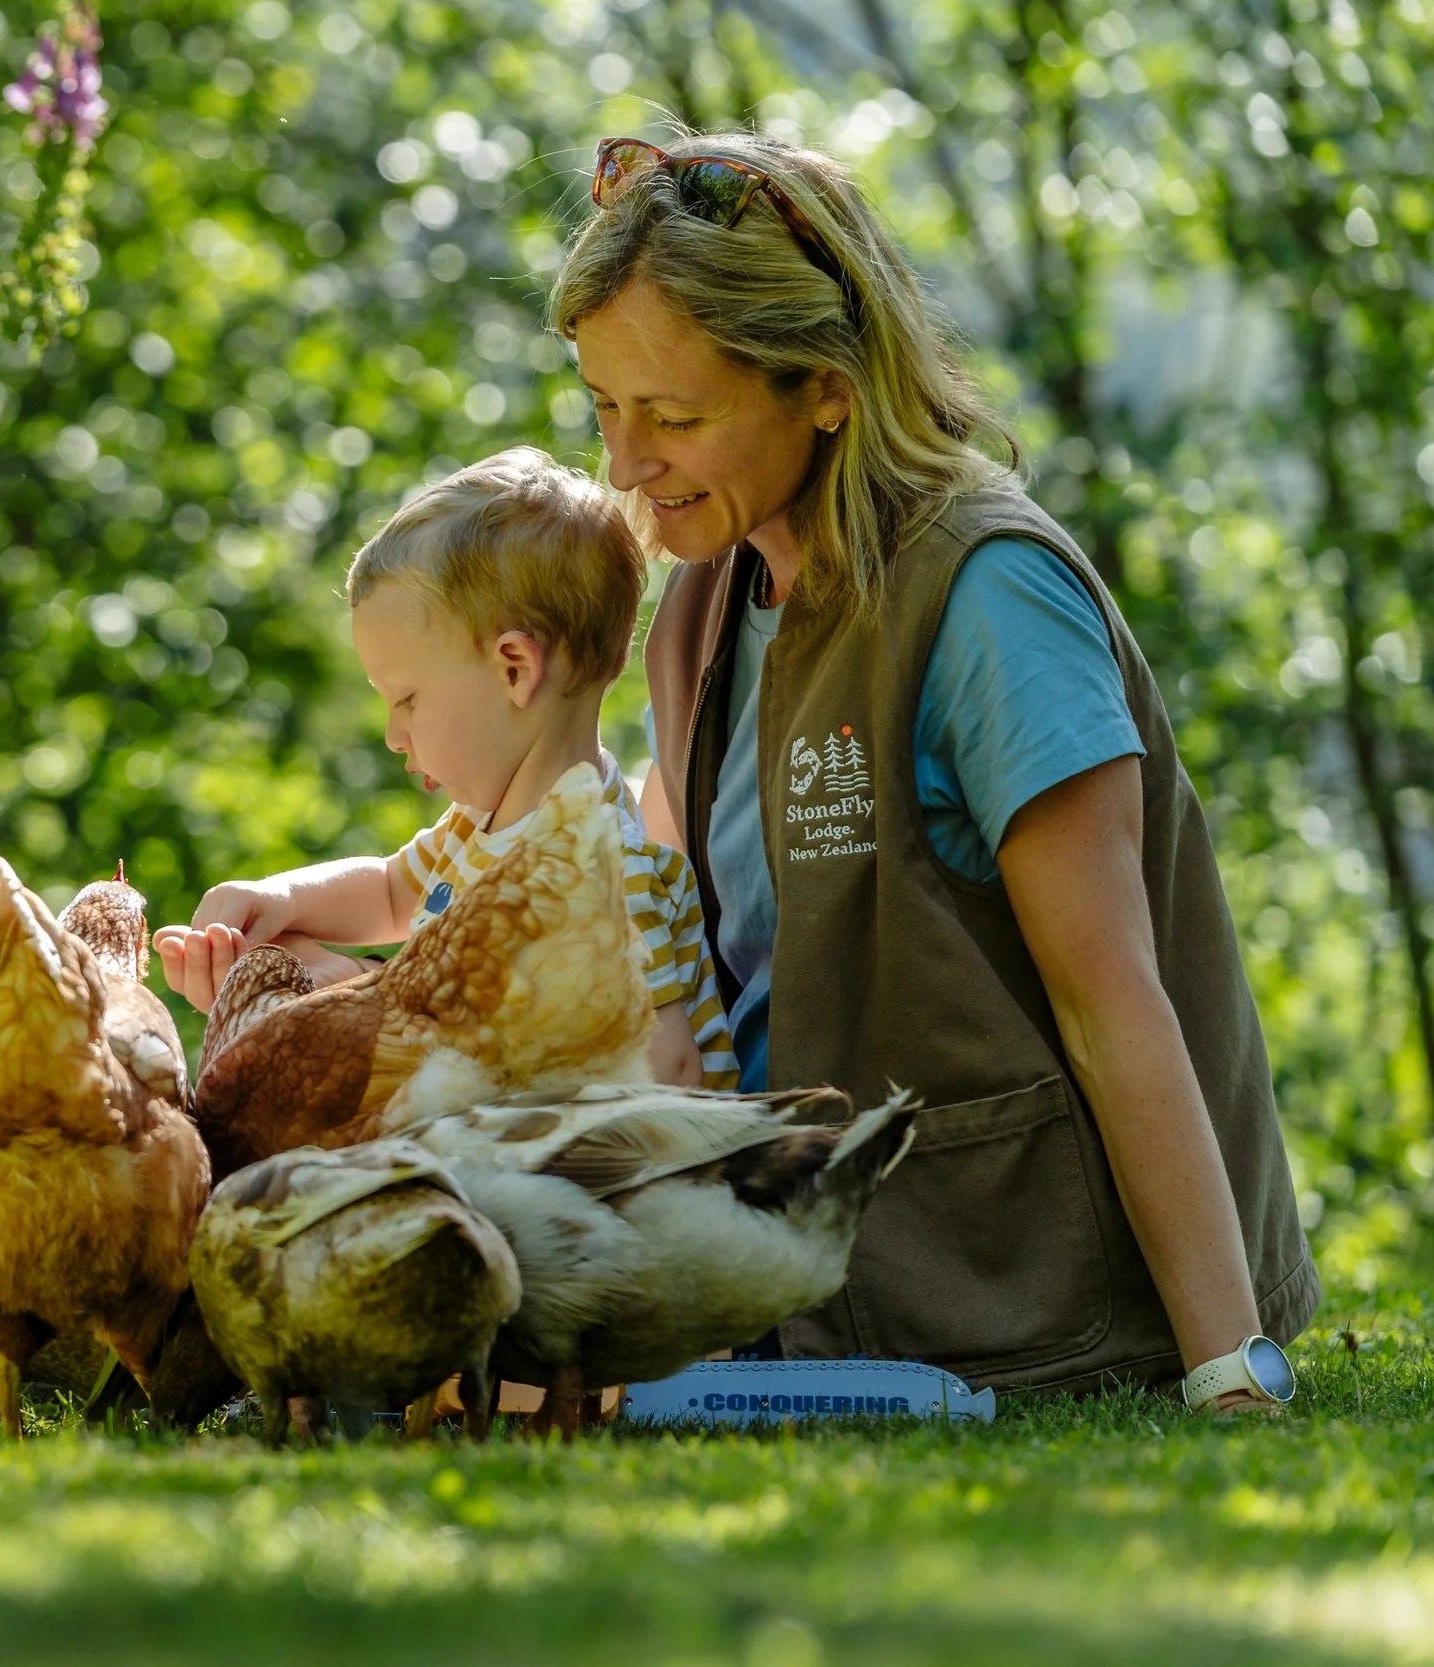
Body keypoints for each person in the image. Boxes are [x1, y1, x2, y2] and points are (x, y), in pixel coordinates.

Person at [551, 131, 1314, 1407]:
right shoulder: (699, 601)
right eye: (603, 409)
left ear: (829, 388)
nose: (625, 466)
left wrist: (1227, 1363)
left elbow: (1113, 999)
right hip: (801, 1298)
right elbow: (662, 914)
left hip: (1019, 1300)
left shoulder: (987, 594)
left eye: (674, 417)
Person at [154, 445, 740, 1092]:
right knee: (293, 953)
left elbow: (670, 1070)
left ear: (514, 669)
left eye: (407, 699)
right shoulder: (475, 832)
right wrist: (277, 901)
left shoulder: (599, 872)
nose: (392, 734)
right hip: (477, 1128)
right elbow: (387, 892)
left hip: (590, 1173)